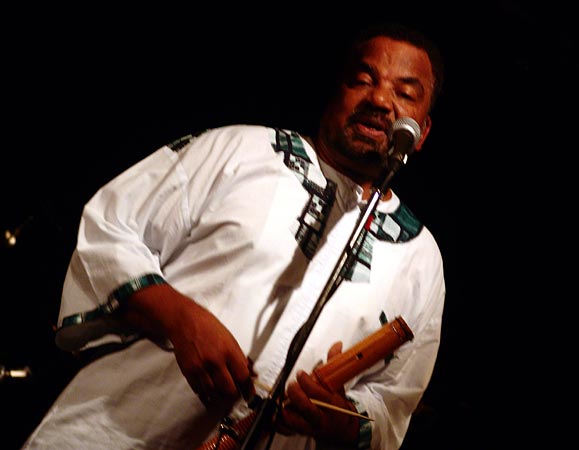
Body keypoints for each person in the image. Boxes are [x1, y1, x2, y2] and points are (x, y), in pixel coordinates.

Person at [22, 22, 446, 450]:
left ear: (423, 131)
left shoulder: (421, 259)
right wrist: (179, 318)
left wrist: (341, 421)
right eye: (362, 80)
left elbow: (393, 401)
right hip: (117, 431)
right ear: (336, 91)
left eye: (405, 93)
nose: (379, 100)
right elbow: (110, 228)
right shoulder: (241, 151)